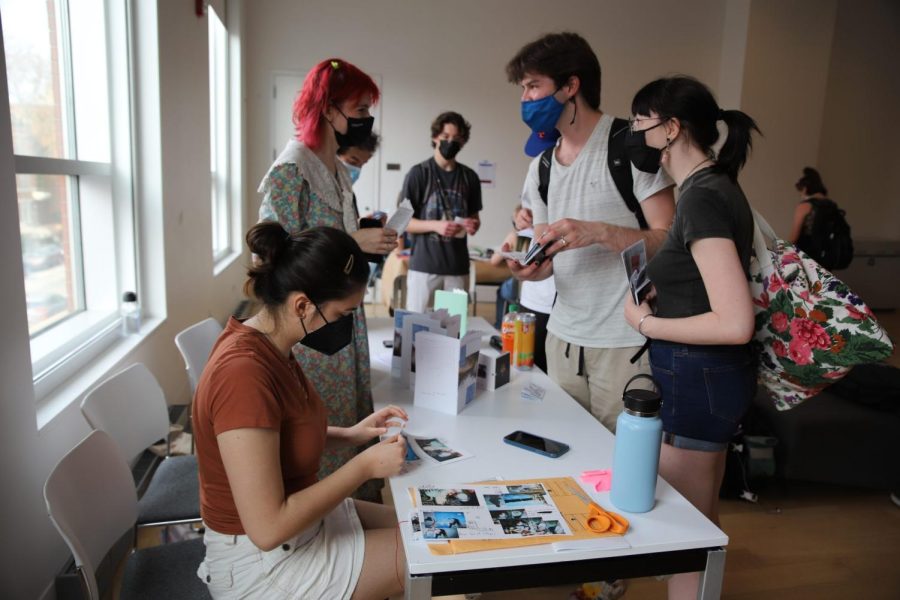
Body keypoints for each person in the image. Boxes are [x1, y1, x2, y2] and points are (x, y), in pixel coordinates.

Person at [193, 222, 408, 599]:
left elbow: (277, 438)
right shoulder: (243, 375)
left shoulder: (269, 345)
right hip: (261, 563)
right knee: (430, 554)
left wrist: (352, 435)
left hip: (294, 534)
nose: (345, 326)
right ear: (303, 305)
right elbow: (268, 528)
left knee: (418, 525)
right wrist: (364, 466)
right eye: (342, 315)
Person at [623, 75, 758, 600]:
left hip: (698, 377)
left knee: (687, 532)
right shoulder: (711, 187)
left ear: (671, 128)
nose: (633, 135)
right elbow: (708, 290)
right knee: (698, 519)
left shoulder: (702, 197)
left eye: (639, 123)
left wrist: (645, 323)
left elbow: (733, 320)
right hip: (704, 377)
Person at [504, 32, 676, 433]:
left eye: (533, 86)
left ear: (570, 86)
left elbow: (670, 240)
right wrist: (530, 268)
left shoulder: (632, 146)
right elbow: (548, 257)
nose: (525, 99)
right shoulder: (541, 166)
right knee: (564, 458)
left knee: (620, 467)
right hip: (561, 339)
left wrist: (599, 232)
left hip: (626, 342)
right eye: (523, 89)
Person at [258, 58, 397, 496]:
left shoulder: (335, 170)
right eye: (358, 109)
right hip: (309, 328)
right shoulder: (291, 171)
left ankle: (351, 506)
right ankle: (323, 516)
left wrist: (365, 242)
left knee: (346, 419)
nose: (364, 120)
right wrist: (355, 240)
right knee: (318, 427)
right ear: (327, 108)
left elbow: (337, 239)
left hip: (339, 320)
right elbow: (279, 255)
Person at [401, 111, 483, 312]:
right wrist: (436, 226)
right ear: (435, 137)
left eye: (456, 138)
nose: (450, 142)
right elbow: (403, 221)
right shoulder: (419, 173)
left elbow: (475, 218)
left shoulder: (470, 177)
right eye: (445, 137)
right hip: (423, 268)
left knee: (451, 334)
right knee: (415, 330)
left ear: (463, 142)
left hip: (457, 268)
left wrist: (473, 224)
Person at [490, 201, 555, 373]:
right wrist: (519, 226)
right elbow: (514, 262)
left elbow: (495, 261)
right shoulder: (523, 233)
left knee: (547, 369)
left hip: (554, 305)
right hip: (531, 302)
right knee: (528, 367)